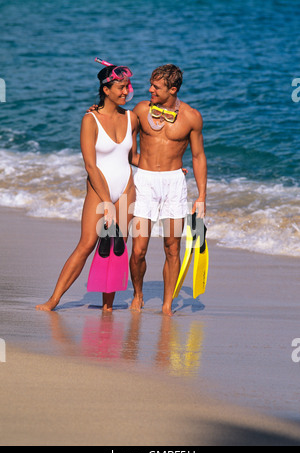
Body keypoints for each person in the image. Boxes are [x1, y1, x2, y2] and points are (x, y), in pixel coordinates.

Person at [36, 64, 139, 312]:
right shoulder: (90, 120)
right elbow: (90, 166)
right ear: (106, 89)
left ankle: (107, 306)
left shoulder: (131, 118)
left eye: (127, 87)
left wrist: (167, 168)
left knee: (118, 247)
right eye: (121, 87)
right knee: (87, 243)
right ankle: (53, 301)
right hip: (99, 189)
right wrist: (106, 204)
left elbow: (133, 157)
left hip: (126, 188)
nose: (126, 91)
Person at [129, 64, 207, 316]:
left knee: (172, 247)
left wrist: (202, 196)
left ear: (173, 89)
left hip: (174, 185)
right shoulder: (141, 110)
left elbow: (198, 156)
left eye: (156, 87)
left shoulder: (192, 117)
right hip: (144, 183)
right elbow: (120, 137)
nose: (150, 89)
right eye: (150, 84)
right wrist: (96, 108)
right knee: (138, 250)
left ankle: (166, 305)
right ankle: (138, 293)